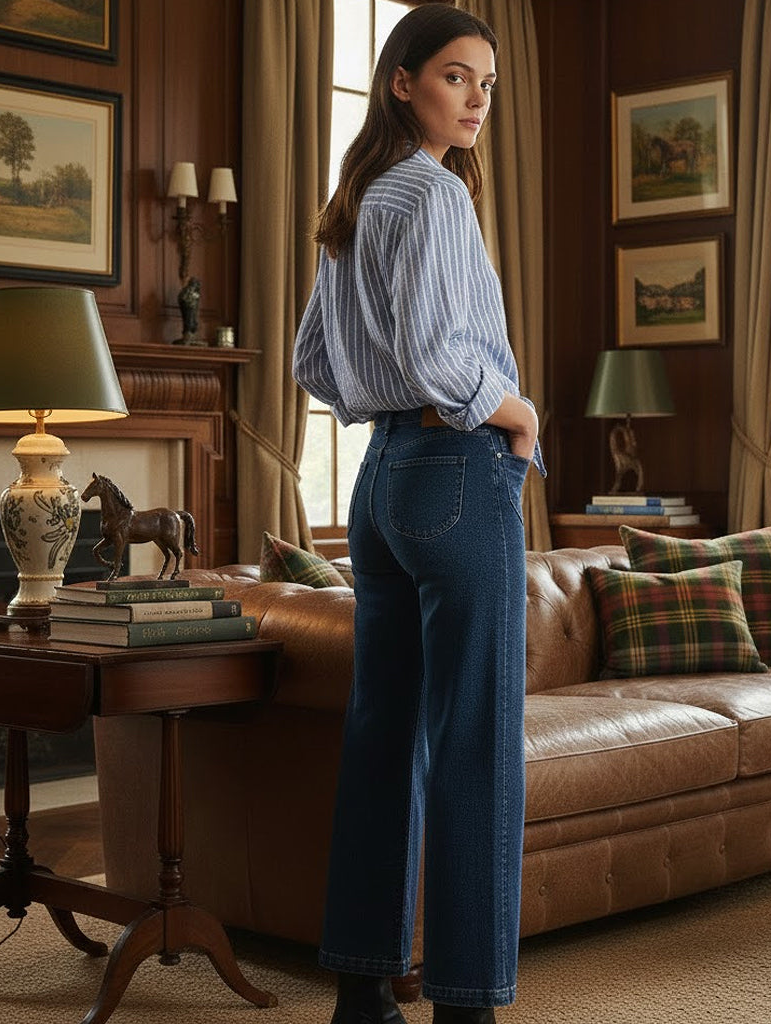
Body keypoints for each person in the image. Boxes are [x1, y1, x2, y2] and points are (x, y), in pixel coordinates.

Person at [293, 6, 544, 1023]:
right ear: (402, 81)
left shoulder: (356, 197)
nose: (476, 99)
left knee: (383, 731)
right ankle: (467, 1007)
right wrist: (518, 414)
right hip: (454, 469)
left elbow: (315, 362)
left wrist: (391, 407)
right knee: (476, 739)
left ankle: (363, 994)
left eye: (486, 82)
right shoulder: (434, 194)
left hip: (380, 480)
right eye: (454, 76)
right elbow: (443, 357)